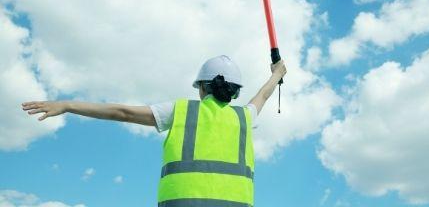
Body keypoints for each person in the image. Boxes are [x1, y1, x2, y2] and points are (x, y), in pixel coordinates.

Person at [22, 55, 287, 207]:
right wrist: (277, 73)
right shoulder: (244, 117)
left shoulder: (180, 111)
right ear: (234, 92)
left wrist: (67, 105)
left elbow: (121, 112)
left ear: (201, 87)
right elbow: (263, 95)